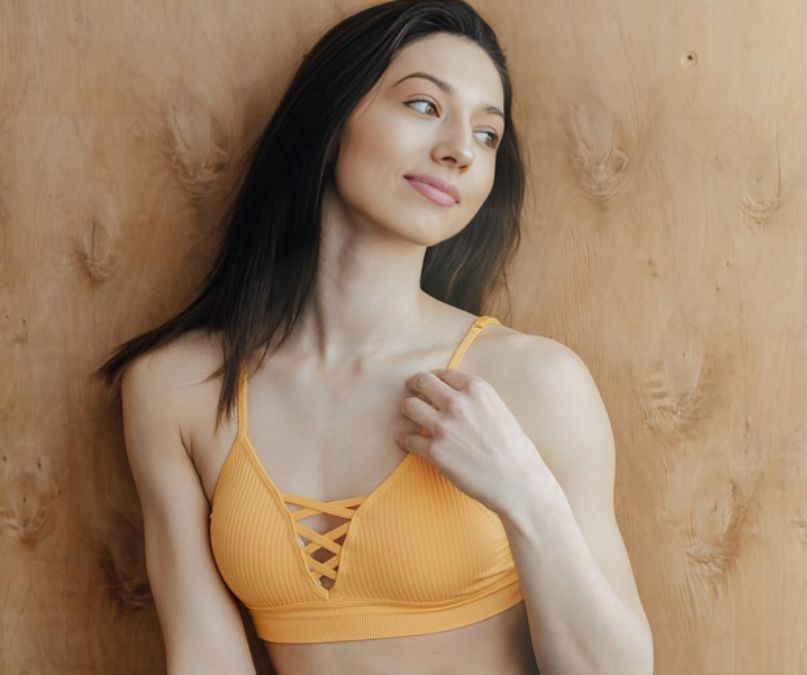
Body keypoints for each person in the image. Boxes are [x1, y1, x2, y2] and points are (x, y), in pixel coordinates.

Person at [95, 2, 653, 673]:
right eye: (424, 106)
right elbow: (204, 654)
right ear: (333, 121)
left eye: (487, 135)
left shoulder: (534, 381)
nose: (458, 149)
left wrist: (523, 492)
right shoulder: (173, 388)